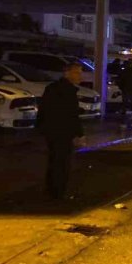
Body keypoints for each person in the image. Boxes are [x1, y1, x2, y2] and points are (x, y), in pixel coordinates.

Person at [36, 62, 85, 199]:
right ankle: (58, 191)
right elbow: (71, 114)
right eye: (77, 73)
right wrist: (79, 134)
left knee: (54, 159)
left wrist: (41, 127)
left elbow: (43, 109)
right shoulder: (67, 90)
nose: (79, 76)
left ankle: (52, 189)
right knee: (62, 162)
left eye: (80, 73)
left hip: (52, 130)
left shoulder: (53, 88)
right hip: (62, 131)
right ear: (67, 73)